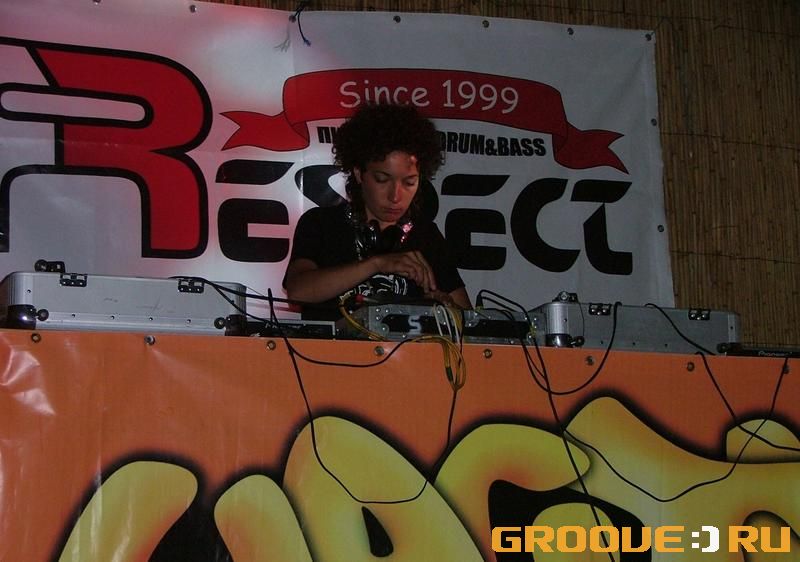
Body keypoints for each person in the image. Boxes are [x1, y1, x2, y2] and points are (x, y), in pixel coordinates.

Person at [283, 103, 471, 319]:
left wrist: (446, 309)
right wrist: (378, 264)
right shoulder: (320, 224)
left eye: (409, 182)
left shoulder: (427, 236)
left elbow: (470, 321)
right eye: (382, 179)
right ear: (359, 173)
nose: (395, 196)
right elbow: (298, 291)